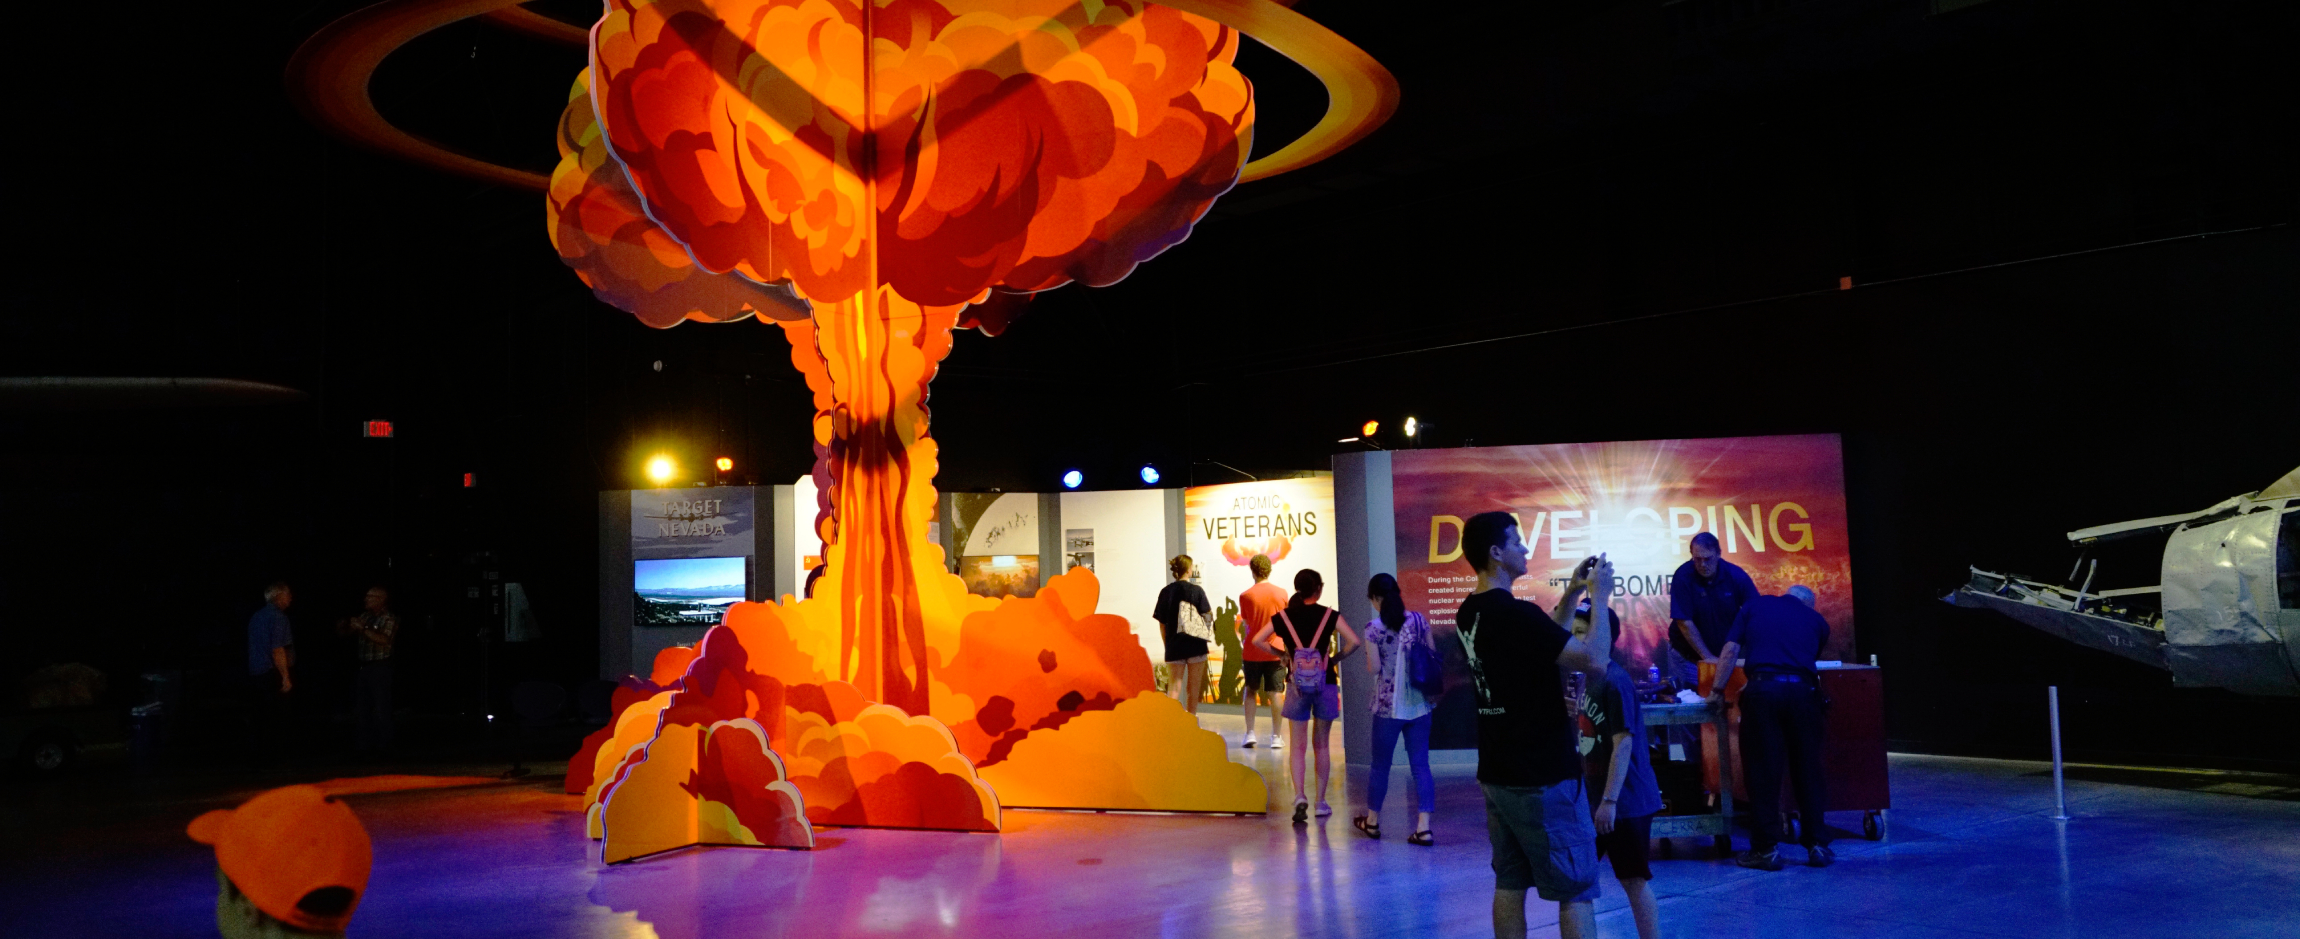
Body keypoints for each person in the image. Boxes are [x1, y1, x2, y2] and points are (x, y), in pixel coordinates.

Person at [1455, 511, 1614, 939]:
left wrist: (1574, 591)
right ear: (1495, 553)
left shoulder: (1470, 612)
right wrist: (1599, 598)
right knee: (1576, 887)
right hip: (1543, 776)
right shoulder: (1515, 614)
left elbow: (1545, 640)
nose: (1525, 549)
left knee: (1509, 882)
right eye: (1517, 542)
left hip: (1498, 774)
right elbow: (1594, 660)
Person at [1715, 584, 1835, 870]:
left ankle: (1766, 851)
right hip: (1805, 696)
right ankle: (1817, 845)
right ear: (1808, 604)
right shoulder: (1818, 621)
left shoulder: (1754, 606)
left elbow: (1731, 649)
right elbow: (1803, 662)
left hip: (1763, 694)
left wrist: (1717, 690)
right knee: (1808, 770)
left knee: (1763, 773)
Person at [1572, 602, 1665, 939]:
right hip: (1596, 801)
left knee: (1633, 880)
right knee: (1578, 880)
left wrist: (1609, 800)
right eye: (1575, 632)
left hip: (1624, 804)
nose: (1576, 640)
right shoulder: (1588, 678)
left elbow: (1623, 743)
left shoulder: (1615, 681)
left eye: (1583, 633)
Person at [1252, 568, 1361, 824]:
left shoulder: (1283, 617)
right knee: (1322, 744)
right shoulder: (1329, 615)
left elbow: (1257, 639)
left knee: (1297, 746)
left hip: (1296, 685)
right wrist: (1334, 659)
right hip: (1326, 683)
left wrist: (1283, 656)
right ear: (1319, 589)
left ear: (1297, 589)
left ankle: (1300, 795)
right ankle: (1321, 802)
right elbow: (1354, 641)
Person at [1356, 573, 1436, 845]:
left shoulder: (1373, 628)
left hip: (1387, 708)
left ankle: (1373, 822)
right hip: (1420, 705)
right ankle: (1424, 827)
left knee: (1380, 766)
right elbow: (1432, 654)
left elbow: (1374, 669)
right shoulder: (1418, 620)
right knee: (1421, 766)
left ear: (1376, 599)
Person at [1235, 554, 1289, 749]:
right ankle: (1276, 736)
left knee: (1250, 691)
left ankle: (1250, 733)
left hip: (1252, 651)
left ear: (1252, 571)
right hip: (1276, 650)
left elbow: (1248, 624)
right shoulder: (1282, 593)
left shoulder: (1245, 596)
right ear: (1269, 569)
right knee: (1275, 693)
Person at [336, 586, 398, 754]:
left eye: (370, 597)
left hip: (381, 666)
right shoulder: (365, 616)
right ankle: (364, 746)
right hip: (364, 667)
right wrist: (343, 627)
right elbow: (347, 634)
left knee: (381, 707)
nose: (366, 599)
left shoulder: (388, 618)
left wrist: (363, 628)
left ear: (381, 599)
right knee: (363, 708)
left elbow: (384, 640)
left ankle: (385, 746)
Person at [1152, 555, 1214, 715]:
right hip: (1196, 645)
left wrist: (1168, 645)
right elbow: (1208, 616)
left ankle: (1172, 723)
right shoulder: (1197, 590)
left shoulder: (1166, 592)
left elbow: (1162, 623)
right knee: (1193, 689)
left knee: (1174, 687)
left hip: (1174, 645)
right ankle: (1191, 722)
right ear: (1189, 569)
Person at [246, 582, 296, 759]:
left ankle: (259, 758)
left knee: (259, 718)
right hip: (271, 673)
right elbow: (277, 649)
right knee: (277, 718)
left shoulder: (256, 616)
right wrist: (285, 676)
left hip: (256, 673)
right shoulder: (278, 617)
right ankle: (276, 757)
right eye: (288, 594)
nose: (290, 597)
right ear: (279, 596)